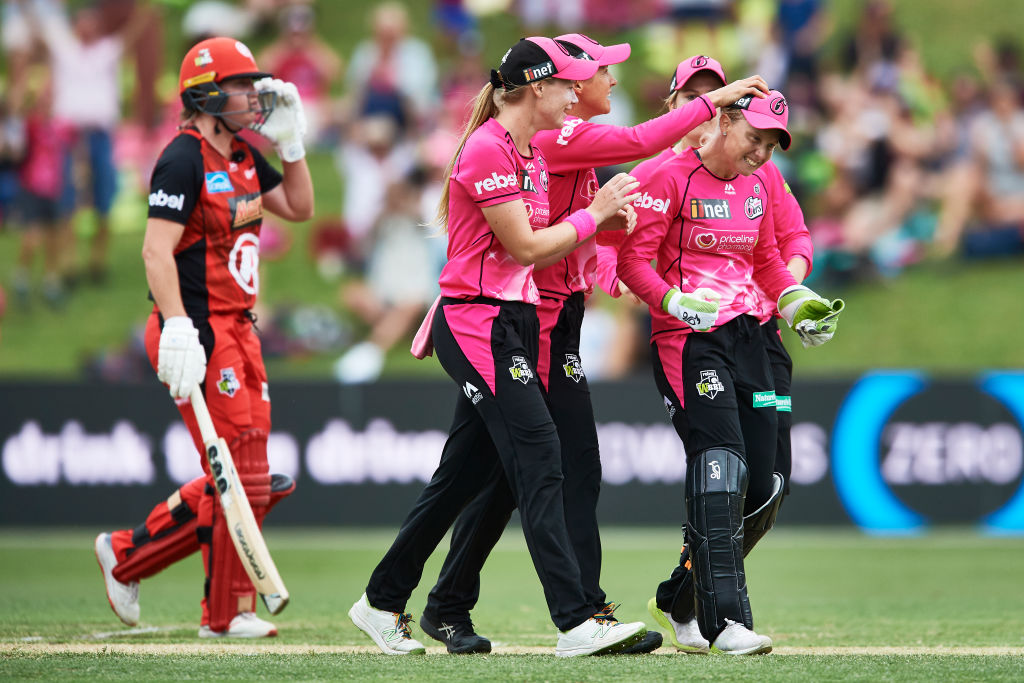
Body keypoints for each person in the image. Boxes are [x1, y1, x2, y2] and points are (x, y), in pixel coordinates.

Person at [414, 35, 770, 656]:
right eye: (605, 72)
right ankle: (579, 614)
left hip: (538, 317)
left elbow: (577, 239)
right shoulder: (561, 136)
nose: (609, 83)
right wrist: (719, 104)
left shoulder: (545, 141)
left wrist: (608, 253)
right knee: (558, 465)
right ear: (572, 83)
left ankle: (436, 602)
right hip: (526, 323)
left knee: (493, 473)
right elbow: (635, 146)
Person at [347, 36, 648, 658]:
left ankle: (380, 600)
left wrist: (603, 233)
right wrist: (595, 214)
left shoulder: (525, 153)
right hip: (481, 324)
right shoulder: (490, 149)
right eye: (568, 84)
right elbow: (529, 248)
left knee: (461, 479)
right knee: (540, 456)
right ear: (538, 87)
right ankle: (576, 620)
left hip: (511, 321)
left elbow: (547, 245)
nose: (575, 96)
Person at [93, 36, 313, 638]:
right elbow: (154, 251)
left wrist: (292, 144)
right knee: (238, 470)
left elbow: (299, 205)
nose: (253, 97)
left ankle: (128, 553)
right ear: (208, 94)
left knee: (254, 475)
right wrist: (179, 327)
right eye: (242, 86)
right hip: (194, 326)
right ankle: (226, 615)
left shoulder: (243, 153)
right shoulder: (183, 158)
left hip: (241, 325)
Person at [617, 87, 842, 655]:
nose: (762, 152)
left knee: (764, 489)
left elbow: (767, 260)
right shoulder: (671, 177)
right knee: (721, 467)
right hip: (691, 343)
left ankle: (679, 600)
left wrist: (796, 305)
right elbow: (632, 262)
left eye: (772, 144)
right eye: (754, 137)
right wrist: (673, 303)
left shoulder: (761, 183)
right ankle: (727, 623)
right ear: (722, 121)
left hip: (751, 338)